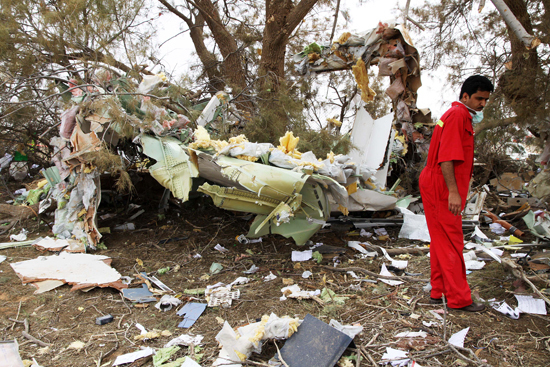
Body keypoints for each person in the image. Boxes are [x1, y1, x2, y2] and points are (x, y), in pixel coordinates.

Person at [419, 75, 494, 312]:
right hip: (442, 185)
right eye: (479, 98)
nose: (483, 104)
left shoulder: (456, 115)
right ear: (465, 96)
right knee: (452, 241)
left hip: (436, 182)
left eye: (486, 100)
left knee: (441, 239)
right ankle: (459, 299)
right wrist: (453, 192)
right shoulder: (459, 115)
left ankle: (438, 291)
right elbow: (447, 158)